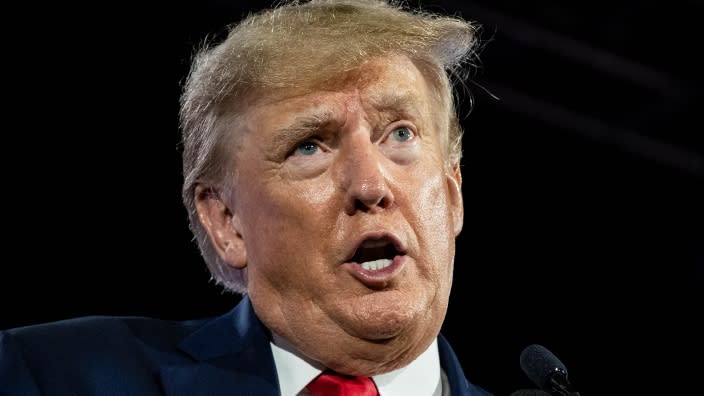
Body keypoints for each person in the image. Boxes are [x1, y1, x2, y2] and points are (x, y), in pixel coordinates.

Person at [0, 1, 492, 395]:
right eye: (309, 146)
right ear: (227, 221)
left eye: (400, 135)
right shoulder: (52, 375)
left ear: (452, 195)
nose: (370, 186)